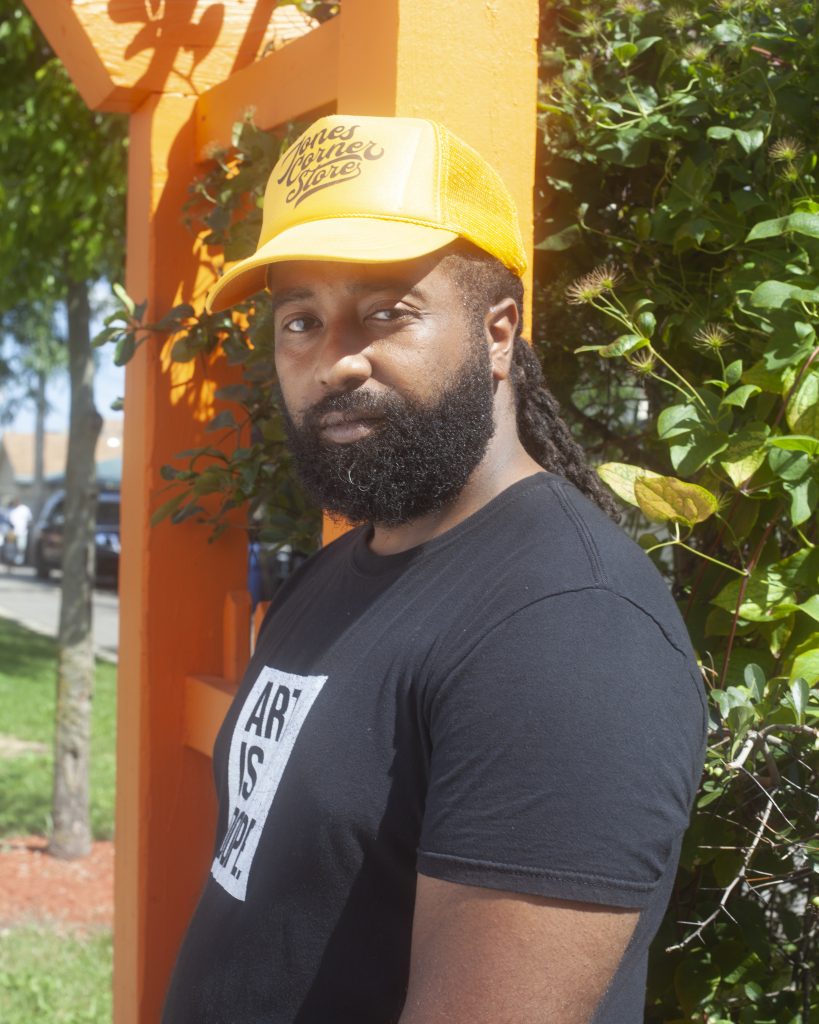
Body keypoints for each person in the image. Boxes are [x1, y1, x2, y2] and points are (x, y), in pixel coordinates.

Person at [163, 115, 707, 1024]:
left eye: (387, 312)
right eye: (300, 320)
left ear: (498, 335)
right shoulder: (337, 576)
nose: (336, 360)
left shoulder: (570, 632)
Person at [7, 498, 32, 566]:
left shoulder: (24, 509)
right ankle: (11, 560)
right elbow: (10, 521)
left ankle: (20, 561)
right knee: (11, 547)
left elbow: (29, 520)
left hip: (22, 532)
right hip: (13, 532)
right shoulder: (12, 510)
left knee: (21, 547)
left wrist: (26, 527)